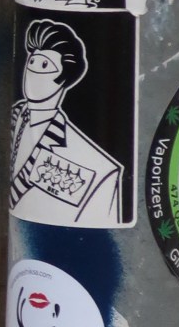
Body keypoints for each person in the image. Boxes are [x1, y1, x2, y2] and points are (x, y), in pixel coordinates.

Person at [9, 18, 123, 228]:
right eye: (31, 62)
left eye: (44, 65)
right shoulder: (15, 119)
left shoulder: (98, 170)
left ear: (64, 79)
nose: (33, 72)